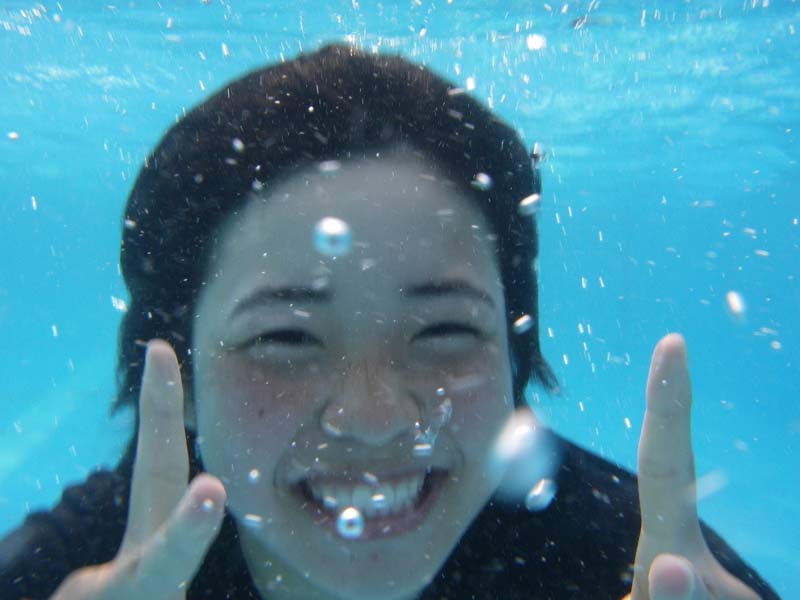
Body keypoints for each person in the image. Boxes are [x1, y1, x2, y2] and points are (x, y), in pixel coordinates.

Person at [0, 43, 778, 600]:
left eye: (443, 332)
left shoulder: (641, 567)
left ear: (512, 354)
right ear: (180, 377)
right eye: (286, 338)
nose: (375, 418)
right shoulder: (83, 572)